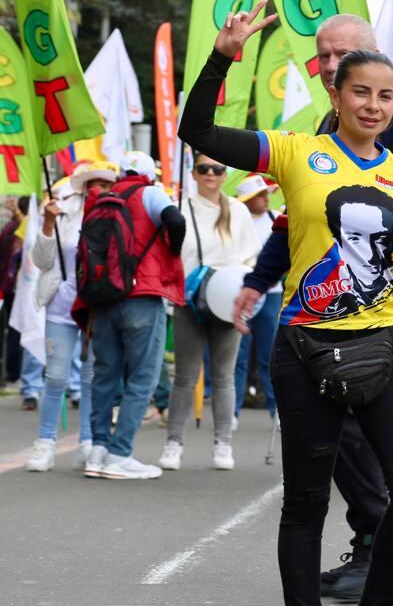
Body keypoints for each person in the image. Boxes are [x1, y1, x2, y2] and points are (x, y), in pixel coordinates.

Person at [179, 1, 393, 606]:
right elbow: (196, 129)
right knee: (306, 502)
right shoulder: (291, 149)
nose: (373, 104)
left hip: (383, 347)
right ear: (335, 94)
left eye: (385, 96)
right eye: (360, 92)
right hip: (304, 351)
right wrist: (222, 57)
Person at [77, 151, 186, 480]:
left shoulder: (102, 198)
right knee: (143, 377)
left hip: (104, 297)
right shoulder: (150, 192)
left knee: (105, 375)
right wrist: (173, 250)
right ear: (148, 173)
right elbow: (176, 221)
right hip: (142, 295)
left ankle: (97, 449)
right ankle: (120, 453)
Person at [157, 154, 259, 472]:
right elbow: (168, 253)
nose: (210, 174)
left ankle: (223, 442)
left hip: (228, 300)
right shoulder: (181, 209)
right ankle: (174, 443)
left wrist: (238, 287)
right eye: (204, 169)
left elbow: (251, 258)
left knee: (224, 376)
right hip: (189, 298)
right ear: (194, 173)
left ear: (225, 174)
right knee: (185, 376)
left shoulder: (239, 211)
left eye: (217, 169)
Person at [26, 163, 118, 471]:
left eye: (106, 184)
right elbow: (41, 261)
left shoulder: (119, 214)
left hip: (97, 306)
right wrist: (48, 224)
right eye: (94, 183)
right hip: (61, 306)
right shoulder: (63, 210)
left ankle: (89, 442)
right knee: (55, 377)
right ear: (84, 185)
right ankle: (45, 443)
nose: (99, 189)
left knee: (93, 377)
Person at [233, 173, 281, 421]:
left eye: (266, 194)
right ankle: (232, 412)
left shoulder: (276, 218)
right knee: (237, 356)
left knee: (269, 355)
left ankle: (276, 410)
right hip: (238, 293)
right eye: (259, 195)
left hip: (272, 295)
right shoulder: (235, 219)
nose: (265, 198)